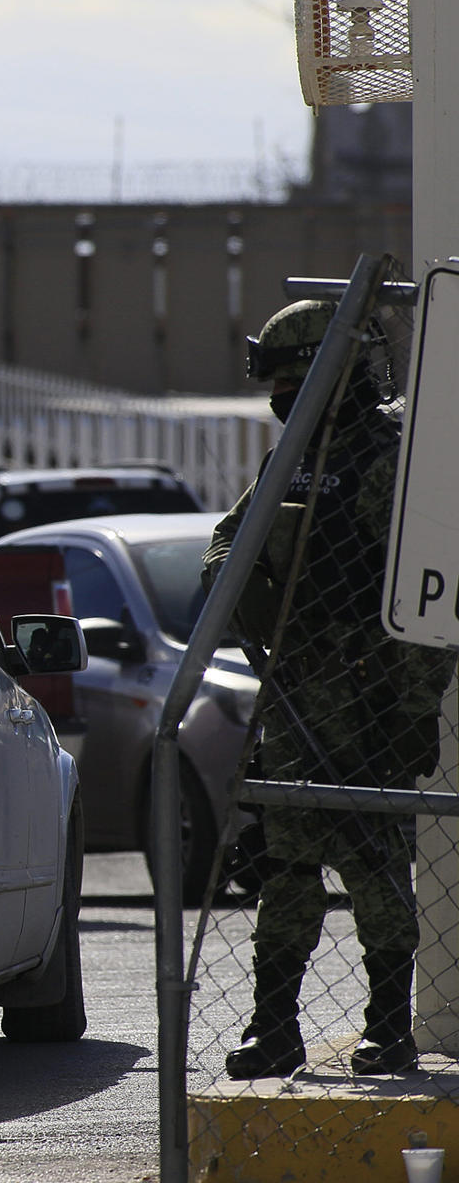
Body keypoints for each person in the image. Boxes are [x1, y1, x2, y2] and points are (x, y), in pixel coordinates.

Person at [206, 299, 458, 1079]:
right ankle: (272, 1022)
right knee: (286, 865)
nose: (280, 398)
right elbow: (233, 535)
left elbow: (428, 602)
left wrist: (413, 710)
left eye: (290, 380)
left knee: (373, 858)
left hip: (369, 691)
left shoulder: (391, 457)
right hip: (297, 685)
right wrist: (231, 580)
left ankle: (390, 1026)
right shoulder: (297, 455)